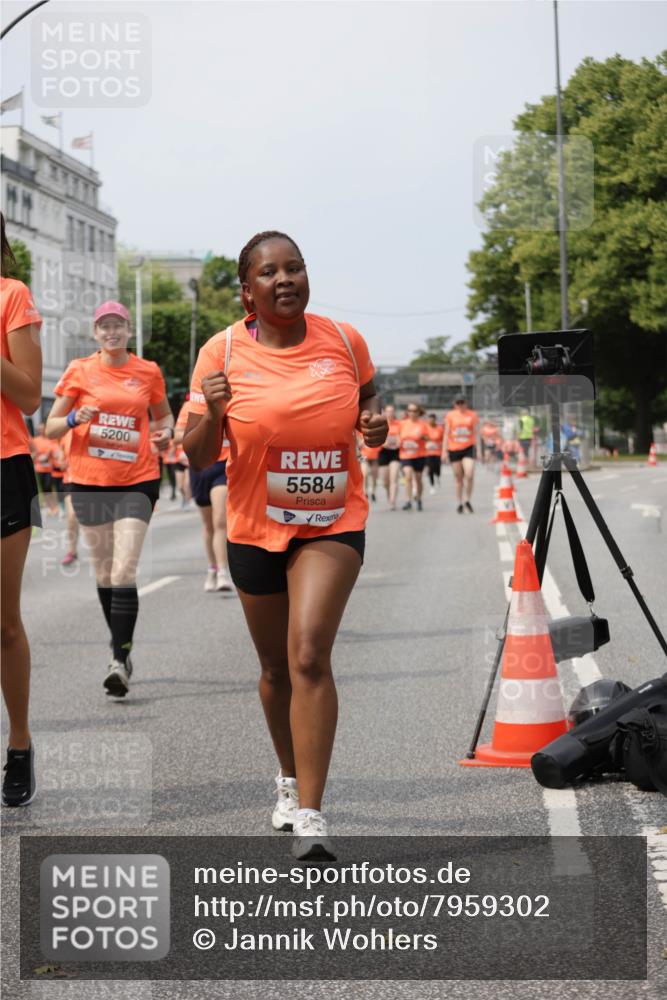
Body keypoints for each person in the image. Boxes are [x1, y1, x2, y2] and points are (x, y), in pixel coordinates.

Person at [184, 231, 387, 860]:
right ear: (247, 290)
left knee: (307, 656)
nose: (284, 279)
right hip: (253, 526)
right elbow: (194, 456)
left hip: (332, 519)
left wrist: (375, 426)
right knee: (274, 670)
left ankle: (311, 814)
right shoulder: (219, 352)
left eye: (294, 268)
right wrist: (212, 415)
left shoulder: (345, 342)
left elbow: (369, 408)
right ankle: (288, 777)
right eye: (269, 272)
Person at [45, 300, 174, 697]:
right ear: (95, 333)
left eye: (118, 325)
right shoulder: (79, 371)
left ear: (129, 331)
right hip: (88, 481)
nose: (112, 332)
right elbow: (50, 428)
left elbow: (164, 418)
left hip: (138, 479)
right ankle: (120, 647)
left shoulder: (147, 371)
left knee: (123, 573)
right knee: (103, 575)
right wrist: (72, 419)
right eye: (105, 326)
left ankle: (119, 658)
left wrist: (165, 434)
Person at [1, 211, 43, 806]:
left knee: (3, 622)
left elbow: (30, 393)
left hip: (3, 466)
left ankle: (19, 744)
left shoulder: (12, 296)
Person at [175, 398, 233, 592]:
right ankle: (212, 568)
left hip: (223, 466)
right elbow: (177, 436)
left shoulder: (233, 401)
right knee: (208, 525)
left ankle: (223, 573)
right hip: (200, 467)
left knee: (220, 522)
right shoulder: (192, 405)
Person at [443, 394, 480, 513]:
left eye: (462, 403)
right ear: (455, 404)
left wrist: (479, 450)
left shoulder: (472, 415)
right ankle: (459, 502)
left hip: (468, 447)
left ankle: (467, 499)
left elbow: (476, 434)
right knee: (458, 478)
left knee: (469, 474)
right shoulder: (450, 415)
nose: (460, 405)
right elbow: (446, 434)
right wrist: (443, 451)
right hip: (454, 449)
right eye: (457, 403)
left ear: (466, 403)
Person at [399, 403, 428, 511]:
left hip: (419, 455)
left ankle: (419, 499)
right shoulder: (402, 424)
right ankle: (408, 500)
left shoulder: (422, 424)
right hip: (405, 454)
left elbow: (427, 439)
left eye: (414, 411)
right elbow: (397, 437)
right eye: (410, 410)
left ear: (418, 412)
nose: (412, 413)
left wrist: (422, 437)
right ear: (407, 412)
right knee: (408, 476)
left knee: (418, 478)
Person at [60, 430, 80, 566]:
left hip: (90, 479)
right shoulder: (64, 434)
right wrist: (62, 462)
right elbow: (61, 459)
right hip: (70, 480)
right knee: (72, 516)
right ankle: (72, 551)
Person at [30, 422, 59, 517]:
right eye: (39, 429)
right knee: (44, 490)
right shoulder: (35, 440)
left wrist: (49, 454)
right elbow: (32, 452)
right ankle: (51, 508)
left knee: (50, 488)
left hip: (50, 468)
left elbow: (55, 450)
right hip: (39, 468)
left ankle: (55, 507)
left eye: (42, 429)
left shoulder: (51, 440)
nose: (41, 430)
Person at [378, 403, 401, 510]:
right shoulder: (380, 424)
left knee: (394, 477)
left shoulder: (399, 424)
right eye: (388, 411)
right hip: (383, 452)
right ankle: (389, 493)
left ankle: (393, 500)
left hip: (395, 452)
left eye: (392, 411)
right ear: (384, 412)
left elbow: (402, 435)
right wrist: (383, 443)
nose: (390, 413)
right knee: (385, 481)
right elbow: (376, 438)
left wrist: (398, 441)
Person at [424, 413, 444, 494]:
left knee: (437, 468)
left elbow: (443, 439)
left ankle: (438, 476)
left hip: (437, 452)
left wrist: (440, 445)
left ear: (435, 420)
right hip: (428, 452)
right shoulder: (425, 428)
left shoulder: (440, 429)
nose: (431, 421)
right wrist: (426, 441)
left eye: (432, 420)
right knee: (430, 469)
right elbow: (422, 437)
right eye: (429, 419)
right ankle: (432, 486)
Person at [359, 433, 380, 502]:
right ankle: (365, 491)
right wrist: (362, 442)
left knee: (374, 475)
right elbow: (358, 445)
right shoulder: (360, 432)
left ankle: (373, 491)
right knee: (364, 473)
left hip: (374, 456)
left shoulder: (375, 431)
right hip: (364, 456)